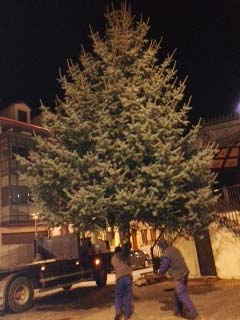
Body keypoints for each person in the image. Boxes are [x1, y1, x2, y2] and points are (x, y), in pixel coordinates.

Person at [157, 239, 199, 320]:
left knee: (182, 295)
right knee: (177, 294)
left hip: (178, 276)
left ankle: (194, 314)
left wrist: (159, 272)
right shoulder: (174, 249)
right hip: (185, 273)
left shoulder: (166, 254)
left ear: (161, 246)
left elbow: (163, 267)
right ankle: (178, 312)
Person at [111, 245, 133, 320]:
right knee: (128, 296)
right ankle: (126, 315)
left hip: (119, 279)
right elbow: (130, 263)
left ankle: (118, 310)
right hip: (127, 277)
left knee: (118, 295)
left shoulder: (113, 258)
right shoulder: (125, 255)